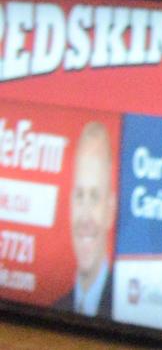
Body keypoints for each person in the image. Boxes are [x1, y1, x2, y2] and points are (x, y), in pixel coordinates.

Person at [53, 121, 116, 318]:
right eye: (80, 196)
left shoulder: (129, 310)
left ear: (110, 210)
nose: (85, 216)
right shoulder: (55, 309)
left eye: (95, 197)